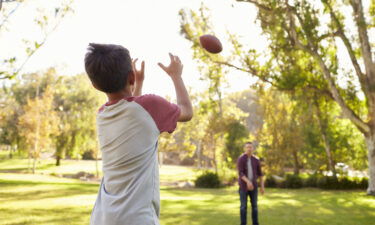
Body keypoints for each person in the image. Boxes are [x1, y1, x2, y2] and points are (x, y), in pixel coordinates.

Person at [84, 43, 193, 225]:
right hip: (137, 218)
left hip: (102, 218)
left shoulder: (102, 114)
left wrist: (138, 82)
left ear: (95, 86)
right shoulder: (150, 105)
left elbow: (134, 112)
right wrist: (176, 76)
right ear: (131, 76)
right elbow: (187, 111)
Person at [237, 141, 265, 225]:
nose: (249, 149)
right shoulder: (241, 159)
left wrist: (262, 187)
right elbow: (240, 173)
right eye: (247, 147)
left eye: (250, 147)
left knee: (255, 207)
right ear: (244, 148)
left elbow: (260, 174)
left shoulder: (256, 160)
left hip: (254, 187)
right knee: (243, 207)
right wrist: (248, 182)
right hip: (243, 187)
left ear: (253, 148)